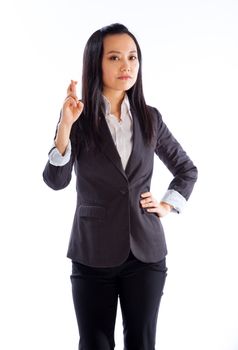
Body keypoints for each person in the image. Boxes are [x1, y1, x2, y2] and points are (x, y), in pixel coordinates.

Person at [43, 23, 198, 350]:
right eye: (115, 57)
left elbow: (186, 169)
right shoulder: (79, 119)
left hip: (145, 252)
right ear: (96, 62)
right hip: (91, 250)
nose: (126, 65)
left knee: (141, 343)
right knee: (94, 343)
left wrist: (167, 204)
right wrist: (64, 127)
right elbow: (56, 181)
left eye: (132, 56)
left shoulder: (150, 118)